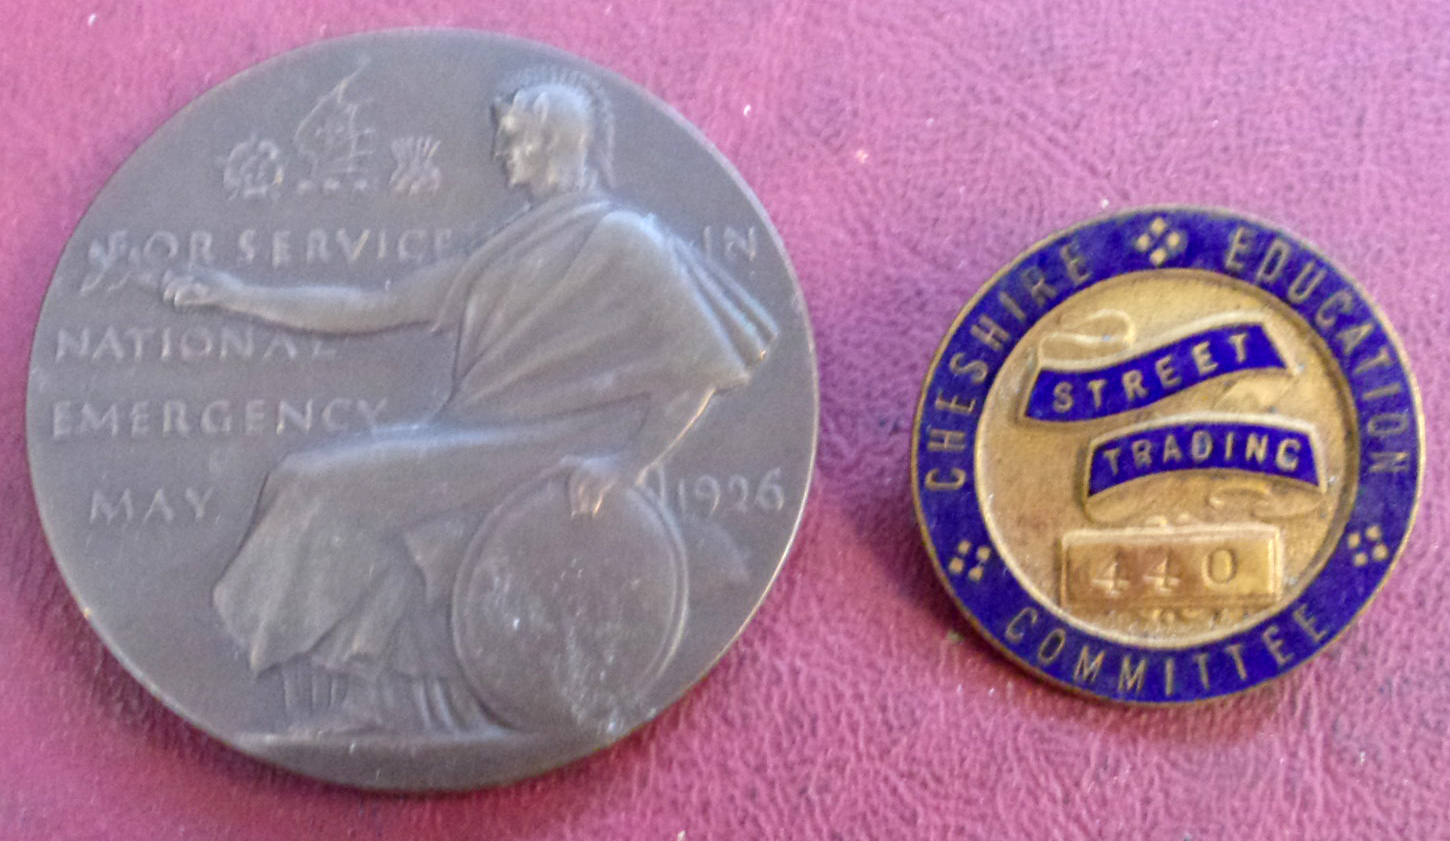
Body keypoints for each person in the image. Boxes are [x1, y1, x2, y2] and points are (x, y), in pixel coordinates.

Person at [164, 75, 776, 735]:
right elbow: (378, 306)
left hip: (548, 448)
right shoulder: (509, 247)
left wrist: (628, 462)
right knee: (300, 478)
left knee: (317, 482)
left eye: (513, 140)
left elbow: (699, 371)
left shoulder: (625, 240)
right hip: (482, 436)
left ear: (554, 143)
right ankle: (375, 693)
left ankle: (351, 688)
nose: (500, 155)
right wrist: (235, 295)